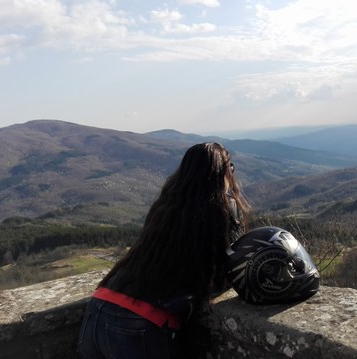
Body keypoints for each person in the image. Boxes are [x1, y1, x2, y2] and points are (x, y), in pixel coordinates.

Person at [77, 142, 249, 359]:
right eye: (230, 167)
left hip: (99, 307)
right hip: (140, 322)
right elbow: (233, 264)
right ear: (221, 172)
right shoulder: (222, 208)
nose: (232, 173)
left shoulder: (167, 204)